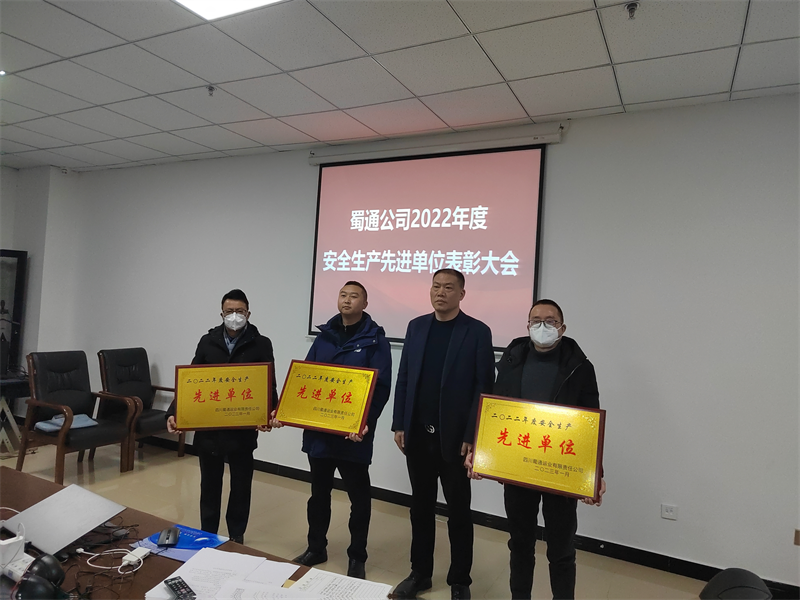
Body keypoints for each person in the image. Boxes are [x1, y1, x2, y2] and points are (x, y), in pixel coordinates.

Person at [470, 299, 605, 600]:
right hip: (518, 468)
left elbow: (590, 422)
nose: (542, 327)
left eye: (550, 321)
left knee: (561, 549)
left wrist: (594, 474)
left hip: (560, 470)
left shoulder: (580, 367)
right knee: (520, 545)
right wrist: (480, 454)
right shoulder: (511, 360)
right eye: (535, 321)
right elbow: (495, 410)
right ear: (528, 325)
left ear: (562, 328)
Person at [391, 269, 495, 600]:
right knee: (420, 508)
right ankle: (420, 573)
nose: (441, 292)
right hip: (418, 435)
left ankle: (460, 580)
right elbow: (404, 376)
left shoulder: (477, 332)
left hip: (455, 440)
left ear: (461, 294)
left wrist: (472, 433)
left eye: (449, 288)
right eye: (436, 286)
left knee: (459, 512)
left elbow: (484, 387)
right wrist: (399, 422)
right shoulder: (416, 326)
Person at [279, 281, 392, 579]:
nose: (347, 300)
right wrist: (285, 409)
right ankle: (316, 548)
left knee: (359, 499)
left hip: (352, 436)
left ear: (365, 304)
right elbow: (306, 379)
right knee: (318, 495)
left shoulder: (375, 340)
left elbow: (380, 388)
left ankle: (357, 557)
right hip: (320, 434)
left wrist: (365, 422)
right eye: (343, 295)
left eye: (354, 296)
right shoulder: (324, 336)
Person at [167, 289, 277, 544]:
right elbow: (190, 381)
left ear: (248, 313)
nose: (234, 316)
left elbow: (268, 383)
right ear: (221, 314)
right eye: (229, 311)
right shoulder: (208, 341)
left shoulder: (261, 343)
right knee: (209, 484)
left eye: (240, 311)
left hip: (242, 429)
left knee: (241, 485)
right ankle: (207, 533)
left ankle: (236, 535)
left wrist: (270, 412)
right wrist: (175, 412)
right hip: (210, 429)